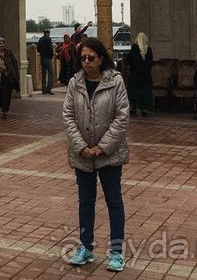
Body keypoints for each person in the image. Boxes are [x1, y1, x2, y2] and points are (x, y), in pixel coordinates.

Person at [63, 37, 129, 273]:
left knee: (113, 201)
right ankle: (85, 246)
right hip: (83, 155)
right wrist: (81, 147)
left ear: (101, 58)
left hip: (108, 155)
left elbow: (122, 118)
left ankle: (116, 252)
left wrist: (102, 147)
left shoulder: (116, 82)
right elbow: (68, 116)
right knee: (85, 202)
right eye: (83, 58)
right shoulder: (74, 84)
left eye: (91, 58)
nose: (87, 62)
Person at [124, 32, 153, 117]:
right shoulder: (149, 50)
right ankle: (145, 109)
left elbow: (128, 60)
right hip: (146, 77)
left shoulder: (134, 49)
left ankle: (133, 108)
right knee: (145, 93)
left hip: (135, 76)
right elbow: (150, 63)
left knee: (134, 93)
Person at [0, 38, 19, 119]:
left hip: (7, 76)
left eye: (3, 43)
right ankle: (2, 106)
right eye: (0, 43)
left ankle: (4, 111)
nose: (1, 45)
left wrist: (9, 70)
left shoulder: (8, 53)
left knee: (6, 93)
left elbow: (14, 64)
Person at [37, 29, 55, 94]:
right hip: (48, 58)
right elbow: (50, 48)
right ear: (48, 33)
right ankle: (48, 89)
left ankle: (43, 89)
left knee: (43, 74)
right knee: (51, 73)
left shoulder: (41, 39)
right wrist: (51, 55)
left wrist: (42, 53)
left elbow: (38, 48)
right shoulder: (48, 39)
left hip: (42, 58)